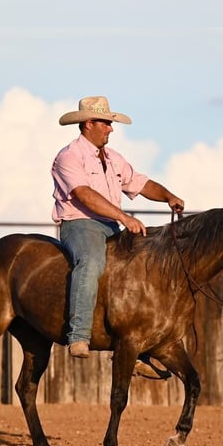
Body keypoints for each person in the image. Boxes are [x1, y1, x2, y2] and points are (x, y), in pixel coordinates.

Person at [52, 96, 184, 358]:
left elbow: (139, 183)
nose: (111, 128)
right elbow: (83, 194)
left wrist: (168, 195)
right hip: (80, 224)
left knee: (144, 267)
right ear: (89, 124)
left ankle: (136, 344)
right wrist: (124, 218)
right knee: (90, 261)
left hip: (110, 224)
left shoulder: (113, 158)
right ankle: (78, 335)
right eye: (106, 123)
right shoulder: (68, 157)